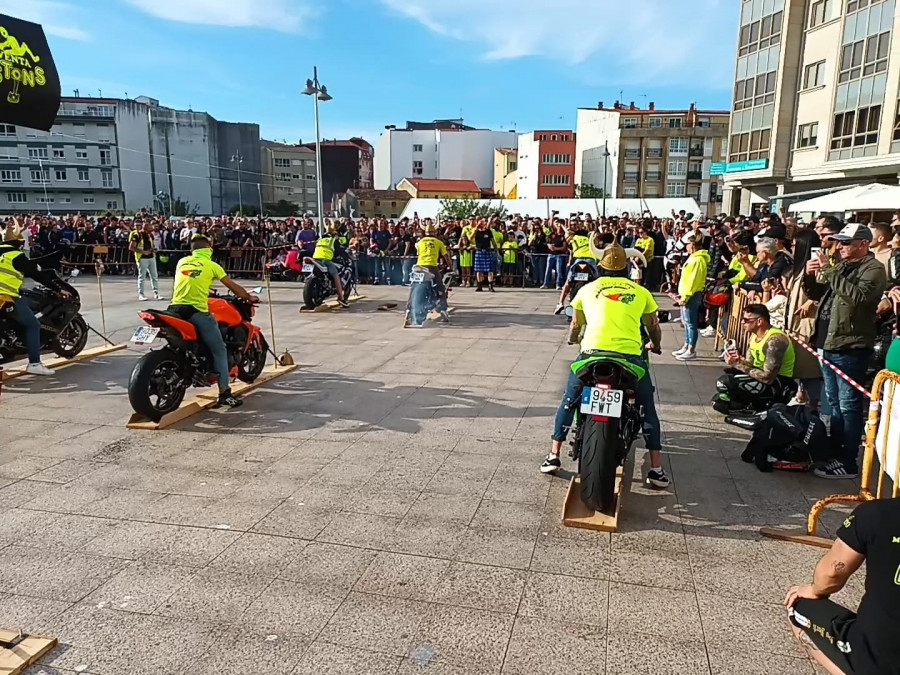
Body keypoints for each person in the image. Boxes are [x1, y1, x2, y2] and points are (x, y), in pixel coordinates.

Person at [540, 241, 670, 489]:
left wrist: (572, 340)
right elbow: (653, 326)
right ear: (626, 269)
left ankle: (554, 455)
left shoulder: (587, 290)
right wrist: (656, 344)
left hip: (591, 356)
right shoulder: (640, 292)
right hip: (631, 359)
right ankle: (656, 468)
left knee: (569, 400)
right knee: (646, 407)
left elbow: (576, 326)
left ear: (599, 267)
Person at [806, 223, 887, 479]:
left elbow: (860, 299)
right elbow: (821, 293)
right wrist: (810, 276)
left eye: (846, 242)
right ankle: (835, 449)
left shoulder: (874, 269)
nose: (839, 247)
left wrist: (830, 271)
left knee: (849, 404)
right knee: (834, 402)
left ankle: (848, 460)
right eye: (839, 242)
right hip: (828, 341)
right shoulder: (842, 266)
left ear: (863, 244)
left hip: (849, 345)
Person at [785, 498, 900, 675]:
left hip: (876, 657)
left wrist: (814, 589)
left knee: (797, 605)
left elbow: (831, 574)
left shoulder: (876, 513)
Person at [168, 235, 258, 409]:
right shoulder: (212, 266)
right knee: (220, 349)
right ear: (209, 250)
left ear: (192, 251)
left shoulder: (182, 261)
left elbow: (192, 280)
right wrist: (247, 296)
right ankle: (224, 393)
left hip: (174, 309)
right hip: (196, 311)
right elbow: (231, 286)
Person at [0, 220, 71, 376]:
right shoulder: (16, 256)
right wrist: (58, 289)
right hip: (4, 297)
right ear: (18, 243)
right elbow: (37, 275)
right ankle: (34, 363)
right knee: (33, 325)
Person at [715, 303, 796, 414]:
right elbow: (749, 364)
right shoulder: (754, 335)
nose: (742, 322)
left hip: (778, 384)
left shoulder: (775, 340)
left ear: (759, 321)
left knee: (724, 382)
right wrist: (738, 361)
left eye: (746, 320)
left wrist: (738, 364)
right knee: (719, 400)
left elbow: (768, 377)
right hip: (761, 377)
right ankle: (747, 404)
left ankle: (758, 406)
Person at [672, 234, 710, 361]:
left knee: (691, 323)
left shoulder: (698, 260)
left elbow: (693, 281)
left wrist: (686, 296)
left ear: (692, 245)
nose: (686, 247)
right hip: (686, 294)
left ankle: (691, 349)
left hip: (692, 295)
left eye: (687, 245)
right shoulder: (693, 258)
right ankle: (686, 345)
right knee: (687, 322)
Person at [553, 223, 598, 315]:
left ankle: (560, 303)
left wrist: (564, 226)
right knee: (597, 282)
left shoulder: (573, 238)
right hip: (590, 261)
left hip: (578, 260)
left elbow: (568, 237)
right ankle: (598, 302)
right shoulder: (591, 239)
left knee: (568, 282)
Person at [411, 223, 451, 320]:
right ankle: (442, 309)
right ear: (435, 232)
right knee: (440, 287)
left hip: (419, 266)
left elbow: (419, 253)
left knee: (414, 286)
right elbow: (446, 256)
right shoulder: (438, 242)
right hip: (431, 266)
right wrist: (450, 266)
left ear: (425, 232)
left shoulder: (420, 242)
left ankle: (409, 307)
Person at [312, 225, 349, 308]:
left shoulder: (320, 239)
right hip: (326, 260)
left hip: (315, 259)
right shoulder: (333, 240)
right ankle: (341, 298)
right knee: (337, 277)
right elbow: (338, 252)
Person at [130, 221, 164, 302]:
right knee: (142, 277)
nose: (152, 228)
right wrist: (143, 252)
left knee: (154, 276)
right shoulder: (137, 235)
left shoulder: (150, 235)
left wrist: (153, 250)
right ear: (146, 227)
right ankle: (141, 294)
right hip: (142, 258)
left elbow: (150, 245)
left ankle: (156, 293)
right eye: (150, 227)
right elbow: (131, 247)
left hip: (151, 257)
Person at [473, 219, 496, 292]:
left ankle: (490, 286)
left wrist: (496, 250)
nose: (484, 223)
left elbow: (493, 241)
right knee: (478, 270)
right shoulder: (476, 231)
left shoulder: (488, 231)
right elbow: (470, 238)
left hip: (487, 250)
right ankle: (479, 286)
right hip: (479, 251)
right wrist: (476, 228)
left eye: (485, 222)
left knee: (490, 269)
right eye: (482, 222)